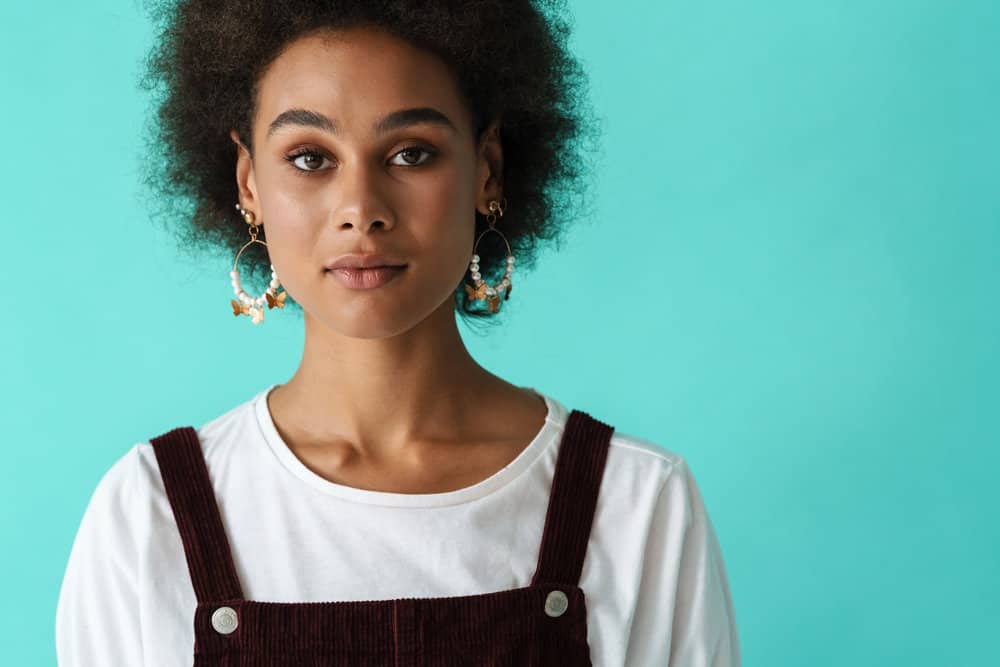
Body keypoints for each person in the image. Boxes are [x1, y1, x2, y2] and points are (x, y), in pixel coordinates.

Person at [55, 0, 740, 664]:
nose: (361, 210)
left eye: (411, 153)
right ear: (248, 182)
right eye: (309, 157)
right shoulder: (149, 519)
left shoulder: (637, 505)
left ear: (488, 170)